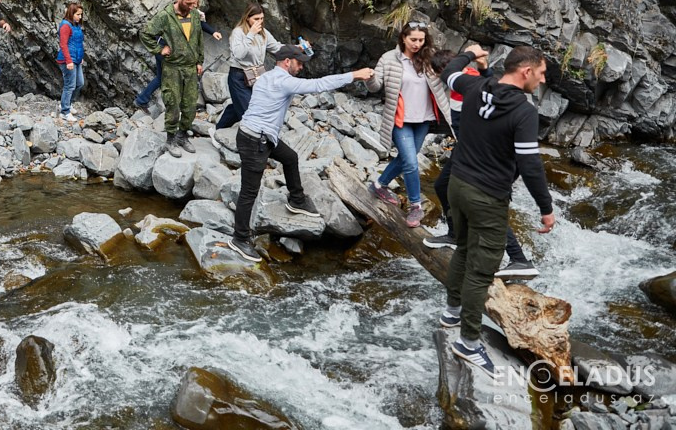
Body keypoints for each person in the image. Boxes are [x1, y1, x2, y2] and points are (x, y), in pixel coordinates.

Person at [439, 44, 555, 377]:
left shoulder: (475, 86)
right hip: (487, 196)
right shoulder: (523, 111)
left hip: (457, 186)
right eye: (542, 73)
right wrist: (545, 208)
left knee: (462, 247)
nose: (543, 80)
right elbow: (530, 164)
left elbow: (449, 73)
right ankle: (469, 343)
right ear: (526, 72)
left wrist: (470, 54)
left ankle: (451, 312)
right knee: (481, 272)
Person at [227, 45, 374, 262]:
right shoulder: (284, 81)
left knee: (290, 158)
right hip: (255, 140)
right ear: (287, 62)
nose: (301, 66)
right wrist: (354, 75)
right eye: (299, 63)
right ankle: (239, 239)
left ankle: (296, 200)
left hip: (260, 136)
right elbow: (319, 85)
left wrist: (303, 49)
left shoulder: (268, 76)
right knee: (250, 191)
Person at [425, 50, 538, 279]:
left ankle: (519, 259)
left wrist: (473, 58)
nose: (438, 78)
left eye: (438, 73)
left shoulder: (468, 85)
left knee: (486, 208)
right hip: (467, 149)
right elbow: (491, 82)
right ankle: (455, 234)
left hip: (483, 155)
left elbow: (493, 89)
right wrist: (484, 67)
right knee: (441, 186)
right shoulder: (466, 85)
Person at [365, 21, 453, 228]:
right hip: (400, 119)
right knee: (411, 162)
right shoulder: (389, 58)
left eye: (421, 40)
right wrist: (369, 78)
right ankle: (416, 206)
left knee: (406, 158)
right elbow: (376, 86)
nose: (417, 44)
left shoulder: (429, 58)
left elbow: (446, 75)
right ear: (403, 38)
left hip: (423, 119)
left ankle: (379, 185)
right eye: (413, 39)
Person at [141, 0, 211, 157]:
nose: (192, 6)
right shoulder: (165, 16)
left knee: (190, 105)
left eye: (194, 3)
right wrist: (160, 49)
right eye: (188, 3)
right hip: (172, 68)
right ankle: (170, 139)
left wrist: (199, 61)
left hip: (190, 67)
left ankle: (182, 135)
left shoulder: (195, 15)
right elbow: (145, 33)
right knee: (173, 104)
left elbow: (199, 39)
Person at [215, 4, 281, 135]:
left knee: (238, 106)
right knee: (249, 111)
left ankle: (218, 130)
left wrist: (297, 49)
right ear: (247, 18)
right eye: (256, 19)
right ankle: (253, 141)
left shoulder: (264, 33)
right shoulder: (238, 33)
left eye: (261, 18)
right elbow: (239, 54)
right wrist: (250, 35)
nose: (259, 22)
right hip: (239, 76)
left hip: (257, 76)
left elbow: (277, 48)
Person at [135, 7, 221, 108]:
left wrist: (213, 32)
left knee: (161, 78)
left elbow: (199, 23)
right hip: (166, 51)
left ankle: (141, 100)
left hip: (163, 49)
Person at [55, 2, 86, 122]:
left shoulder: (76, 25)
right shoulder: (65, 26)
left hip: (76, 60)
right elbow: (63, 44)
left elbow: (77, 43)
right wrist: (68, 61)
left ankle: (66, 104)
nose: (80, 17)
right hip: (67, 60)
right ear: (71, 13)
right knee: (70, 85)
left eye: (81, 14)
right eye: (78, 14)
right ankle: (65, 112)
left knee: (80, 83)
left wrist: (80, 57)